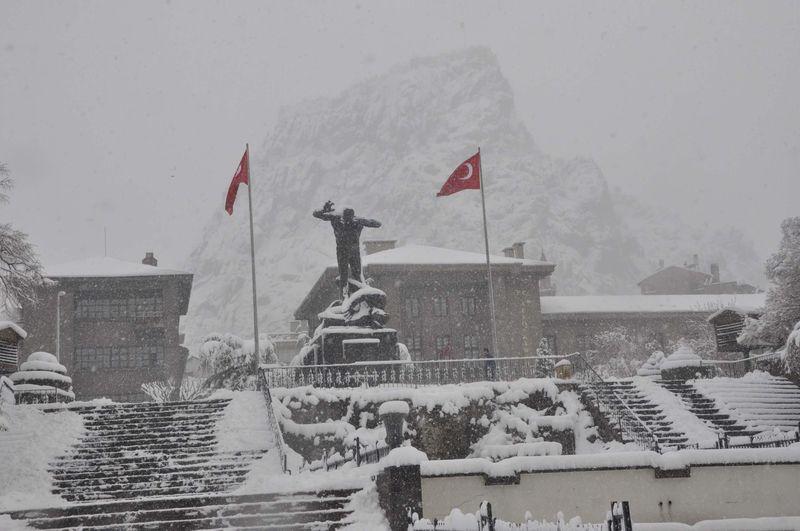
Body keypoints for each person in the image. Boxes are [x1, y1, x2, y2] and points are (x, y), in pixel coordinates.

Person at [313, 201, 381, 297]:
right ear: (343, 216)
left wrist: (362, 220)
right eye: (346, 218)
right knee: (346, 275)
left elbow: (378, 224)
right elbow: (316, 214)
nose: (347, 220)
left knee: (352, 274)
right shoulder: (338, 218)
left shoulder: (340, 219)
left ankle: (355, 294)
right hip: (347, 251)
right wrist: (326, 210)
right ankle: (346, 295)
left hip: (348, 251)